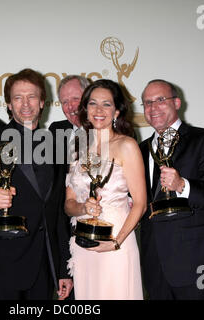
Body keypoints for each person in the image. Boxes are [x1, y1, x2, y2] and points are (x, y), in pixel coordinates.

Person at [0, 68, 73, 300]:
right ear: (8, 104)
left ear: (42, 103)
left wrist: (62, 269)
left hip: (44, 264)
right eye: (18, 98)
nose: (25, 104)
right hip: (6, 261)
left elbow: (59, 214)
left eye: (31, 97)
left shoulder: (55, 146)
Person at [138, 79, 204, 300]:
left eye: (160, 100)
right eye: (147, 103)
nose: (153, 108)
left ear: (177, 102)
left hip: (197, 261)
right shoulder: (139, 150)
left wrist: (182, 185)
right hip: (154, 263)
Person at [64, 79, 146, 300]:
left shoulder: (127, 145)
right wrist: (83, 207)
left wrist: (116, 242)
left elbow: (140, 203)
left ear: (117, 111)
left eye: (107, 104)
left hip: (116, 241)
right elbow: (68, 205)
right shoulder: (77, 149)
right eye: (93, 103)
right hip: (84, 244)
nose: (99, 110)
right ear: (85, 109)